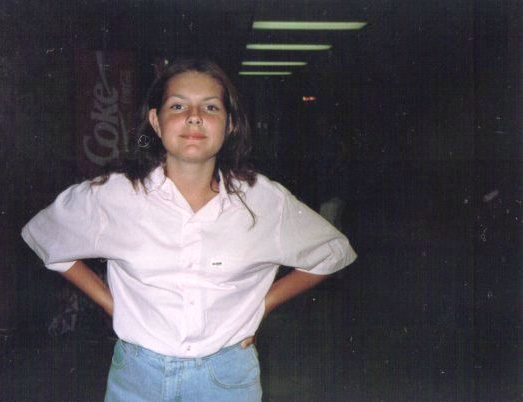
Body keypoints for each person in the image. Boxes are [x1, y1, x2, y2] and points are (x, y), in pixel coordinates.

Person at [21, 58, 357, 402]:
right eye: (178, 106)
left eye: (210, 107)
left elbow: (332, 252)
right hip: (137, 376)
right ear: (156, 121)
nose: (194, 117)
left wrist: (264, 304)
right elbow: (45, 236)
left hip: (226, 377)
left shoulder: (263, 200)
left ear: (229, 124)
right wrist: (112, 304)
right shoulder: (115, 194)